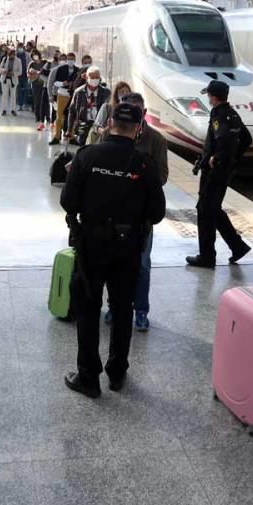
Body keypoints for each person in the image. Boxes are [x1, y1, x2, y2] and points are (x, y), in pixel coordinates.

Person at [60, 102, 166, 398]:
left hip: (91, 247)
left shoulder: (87, 156)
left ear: (108, 124)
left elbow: (68, 202)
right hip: (128, 247)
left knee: (88, 309)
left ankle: (88, 378)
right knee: (121, 310)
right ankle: (117, 373)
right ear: (138, 129)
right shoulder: (145, 165)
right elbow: (157, 213)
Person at [100, 92, 168, 332]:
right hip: (112, 213)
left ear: (144, 115)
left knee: (142, 265)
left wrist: (139, 181)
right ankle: (115, 306)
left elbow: (162, 176)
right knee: (112, 263)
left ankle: (141, 310)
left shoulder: (156, 140)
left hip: (140, 218)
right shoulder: (109, 135)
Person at [186, 80, 252, 268]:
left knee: (204, 210)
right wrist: (234, 160)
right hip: (224, 172)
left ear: (213, 97)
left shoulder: (218, 115)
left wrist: (217, 158)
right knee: (212, 208)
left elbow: (222, 137)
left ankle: (207, 257)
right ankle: (237, 246)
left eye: (209, 95)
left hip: (214, 172)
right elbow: (246, 139)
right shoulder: (232, 114)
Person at [67, 66, 110, 145]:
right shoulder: (79, 92)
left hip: (100, 127)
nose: (94, 79)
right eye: (92, 77)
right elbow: (72, 111)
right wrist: (69, 130)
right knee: (84, 150)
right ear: (86, 78)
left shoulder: (106, 92)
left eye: (97, 77)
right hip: (83, 126)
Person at [89, 80, 131, 145]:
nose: (125, 94)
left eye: (127, 92)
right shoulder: (107, 107)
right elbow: (96, 126)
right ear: (116, 94)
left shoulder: (131, 111)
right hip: (104, 142)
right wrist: (105, 132)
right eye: (122, 92)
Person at [47, 53, 77, 144]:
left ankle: (71, 137)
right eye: (69, 59)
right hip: (62, 94)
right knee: (59, 116)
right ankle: (57, 136)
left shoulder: (78, 70)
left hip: (73, 95)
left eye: (72, 59)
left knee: (72, 117)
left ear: (75, 60)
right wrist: (63, 84)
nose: (70, 61)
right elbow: (55, 83)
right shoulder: (60, 69)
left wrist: (73, 85)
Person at [29, 53, 50, 131]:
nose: (35, 57)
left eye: (36, 55)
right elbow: (29, 73)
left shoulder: (45, 63)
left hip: (44, 84)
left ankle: (48, 117)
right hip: (35, 84)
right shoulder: (32, 64)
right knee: (37, 101)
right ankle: (37, 117)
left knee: (46, 102)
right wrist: (34, 73)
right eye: (33, 56)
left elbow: (46, 72)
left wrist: (37, 72)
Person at [0, 48, 21, 116]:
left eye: (12, 55)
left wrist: (13, 73)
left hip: (13, 81)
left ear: (14, 55)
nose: (10, 57)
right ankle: (4, 110)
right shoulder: (5, 59)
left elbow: (20, 71)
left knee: (13, 96)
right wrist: (4, 70)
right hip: (5, 80)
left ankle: (13, 110)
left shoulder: (18, 61)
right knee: (4, 95)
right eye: (9, 55)